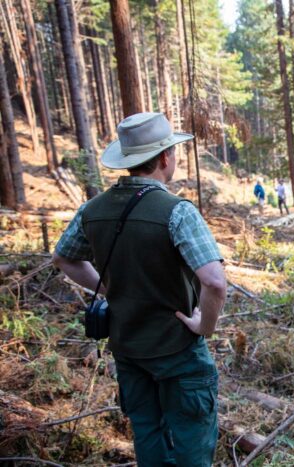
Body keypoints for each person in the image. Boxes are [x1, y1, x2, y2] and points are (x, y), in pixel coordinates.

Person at [52, 112, 227, 465]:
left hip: (128, 347)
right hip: (178, 349)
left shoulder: (93, 210)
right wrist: (204, 326)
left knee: (147, 433)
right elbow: (214, 281)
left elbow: (64, 259)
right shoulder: (177, 211)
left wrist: (110, 289)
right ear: (165, 158)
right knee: (192, 441)